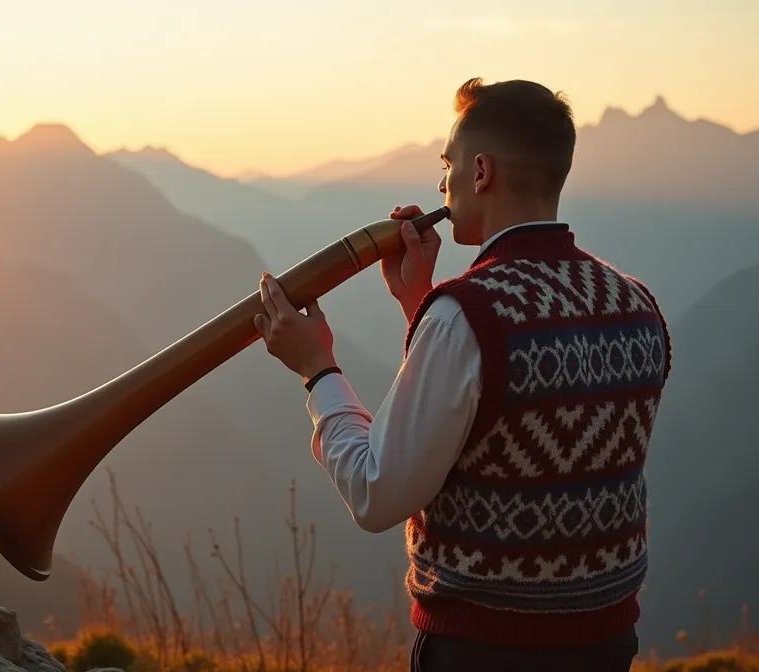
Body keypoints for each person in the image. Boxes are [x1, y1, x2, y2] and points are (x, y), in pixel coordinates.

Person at [253, 77, 673, 671]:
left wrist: (316, 368)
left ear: (481, 172)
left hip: (483, 651)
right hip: (606, 645)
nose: (441, 184)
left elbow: (377, 491)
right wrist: (419, 302)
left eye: (446, 164)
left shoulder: (467, 316)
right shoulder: (635, 304)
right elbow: (517, 415)